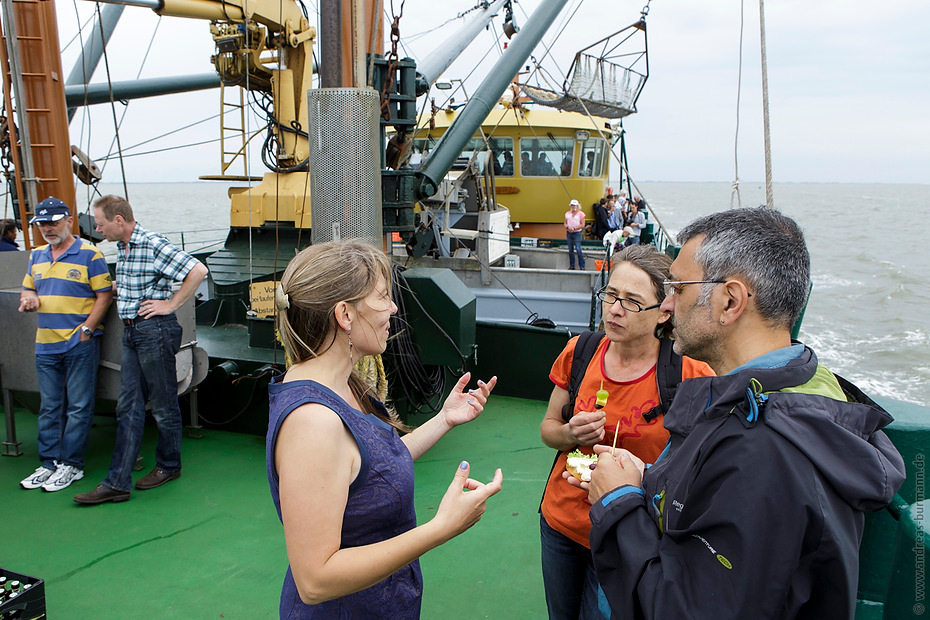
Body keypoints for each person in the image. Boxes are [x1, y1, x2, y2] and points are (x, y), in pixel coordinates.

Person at [572, 207, 906, 619]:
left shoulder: (765, 454)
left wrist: (619, 501)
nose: (668, 304)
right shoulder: (794, 392)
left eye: (677, 287)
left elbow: (684, 610)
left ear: (730, 301)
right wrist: (649, 481)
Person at [266, 239, 502, 618]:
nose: (393, 308)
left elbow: (372, 467)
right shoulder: (313, 422)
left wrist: (444, 418)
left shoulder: (342, 385)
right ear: (344, 314)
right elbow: (314, 581)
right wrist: (441, 528)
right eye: (382, 298)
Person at [539, 244, 713, 620]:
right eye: (611, 295)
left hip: (628, 532)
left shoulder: (688, 374)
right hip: (561, 523)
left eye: (633, 302)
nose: (615, 309)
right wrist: (570, 433)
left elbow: (701, 465)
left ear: (664, 311)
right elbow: (548, 430)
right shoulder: (579, 352)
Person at [74, 195, 209, 504]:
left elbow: (198, 270)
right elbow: (137, 281)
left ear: (119, 221)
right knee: (129, 406)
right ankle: (117, 482)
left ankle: (169, 466)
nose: (98, 230)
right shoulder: (123, 247)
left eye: (101, 224)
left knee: (162, 404)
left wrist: (170, 304)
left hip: (155, 332)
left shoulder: (151, 243)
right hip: (133, 331)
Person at [18, 197, 113, 492]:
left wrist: (86, 329)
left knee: (79, 405)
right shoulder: (36, 256)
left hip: (78, 343)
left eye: (53, 222)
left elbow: (105, 295)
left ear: (69, 221)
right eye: (42, 224)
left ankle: (71, 465)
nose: (47, 228)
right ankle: (48, 464)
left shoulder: (90, 254)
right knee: (49, 406)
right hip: (45, 343)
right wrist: (27, 298)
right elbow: (28, 286)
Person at [564, 199, 586, 271]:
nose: (573, 207)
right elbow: (565, 223)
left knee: (578, 249)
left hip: (576, 233)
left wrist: (574, 228)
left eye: (574, 205)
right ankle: (572, 266)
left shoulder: (581, 214)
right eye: (572, 205)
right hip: (569, 232)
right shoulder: (567, 213)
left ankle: (582, 266)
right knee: (570, 250)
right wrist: (568, 227)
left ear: (577, 206)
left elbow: (582, 224)